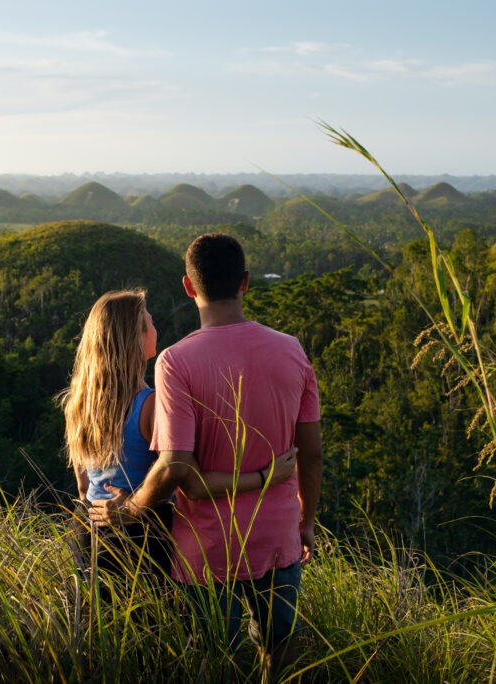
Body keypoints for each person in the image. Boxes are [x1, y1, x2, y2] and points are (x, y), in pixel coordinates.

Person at [88, 234, 323, 672]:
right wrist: (305, 521)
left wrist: (133, 508)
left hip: (205, 548)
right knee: (281, 652)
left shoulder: (175, 362)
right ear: (245, 283)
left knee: (217, 661)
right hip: (277, 536)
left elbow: (176, 464)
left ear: (189, 287)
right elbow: (311, 455)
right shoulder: (292, 350)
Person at [59, 288, 297, 581]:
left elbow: (84, 488)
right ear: (137, 337)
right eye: (150, 322)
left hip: (89, 533)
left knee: (98, 624)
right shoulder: (151, 406)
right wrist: (267, 476)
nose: (155, 328)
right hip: (142, 537)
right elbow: (189, 480)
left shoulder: (79, 404)